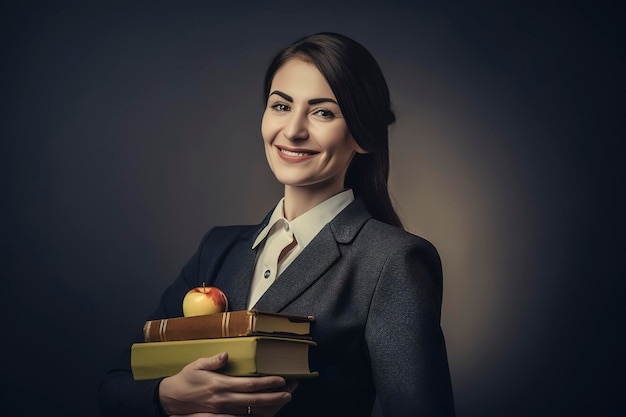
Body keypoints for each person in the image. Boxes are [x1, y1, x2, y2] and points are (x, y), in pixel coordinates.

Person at [98, 32, 455, 417]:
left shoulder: (392, 261)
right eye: (281, 106)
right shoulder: (217, 250)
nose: (293, 130)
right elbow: (115, 385)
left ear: (362, 135)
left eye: (323, 112)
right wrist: (167, 395)